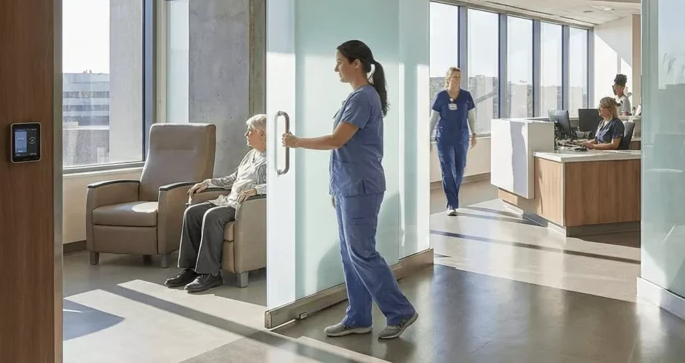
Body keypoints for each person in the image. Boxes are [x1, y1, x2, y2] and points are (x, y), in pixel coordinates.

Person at [281, 40, 418, 341]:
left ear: (356, 64)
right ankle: (358, 317)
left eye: (339, 62)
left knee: (362, 253)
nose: (335, 68)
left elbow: (336, 141)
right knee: (350, 255)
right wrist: (337, 188)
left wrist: (296, 142)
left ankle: (400, 311)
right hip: (349, 186)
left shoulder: (363, 98)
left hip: (361, 187)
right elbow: (347, 149)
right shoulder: (358, 97)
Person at [166, 114, 267, 293]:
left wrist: (256, 190)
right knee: (192, 213)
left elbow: (280, 184)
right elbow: (233, 178)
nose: (245, 134)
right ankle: (191, 269)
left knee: (212, 216)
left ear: (262, 134)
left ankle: (210, 274)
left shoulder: (273, 159)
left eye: (250, 131)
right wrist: (208, 183)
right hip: (229, 201)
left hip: (244, 207)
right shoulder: (251, 155)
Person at [430, 67, 476, 216]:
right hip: (444, 138)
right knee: (447, 170)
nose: (458, 80)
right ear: (448, 78)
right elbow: (433, 119)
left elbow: (471, 117)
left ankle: (453, 199)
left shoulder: (466, 96)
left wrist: (474, 133)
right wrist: (427, 137)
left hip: (461, 138)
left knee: (460, 169)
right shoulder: (440, 96)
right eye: (455, 77)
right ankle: (452, 204)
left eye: (459, 77)